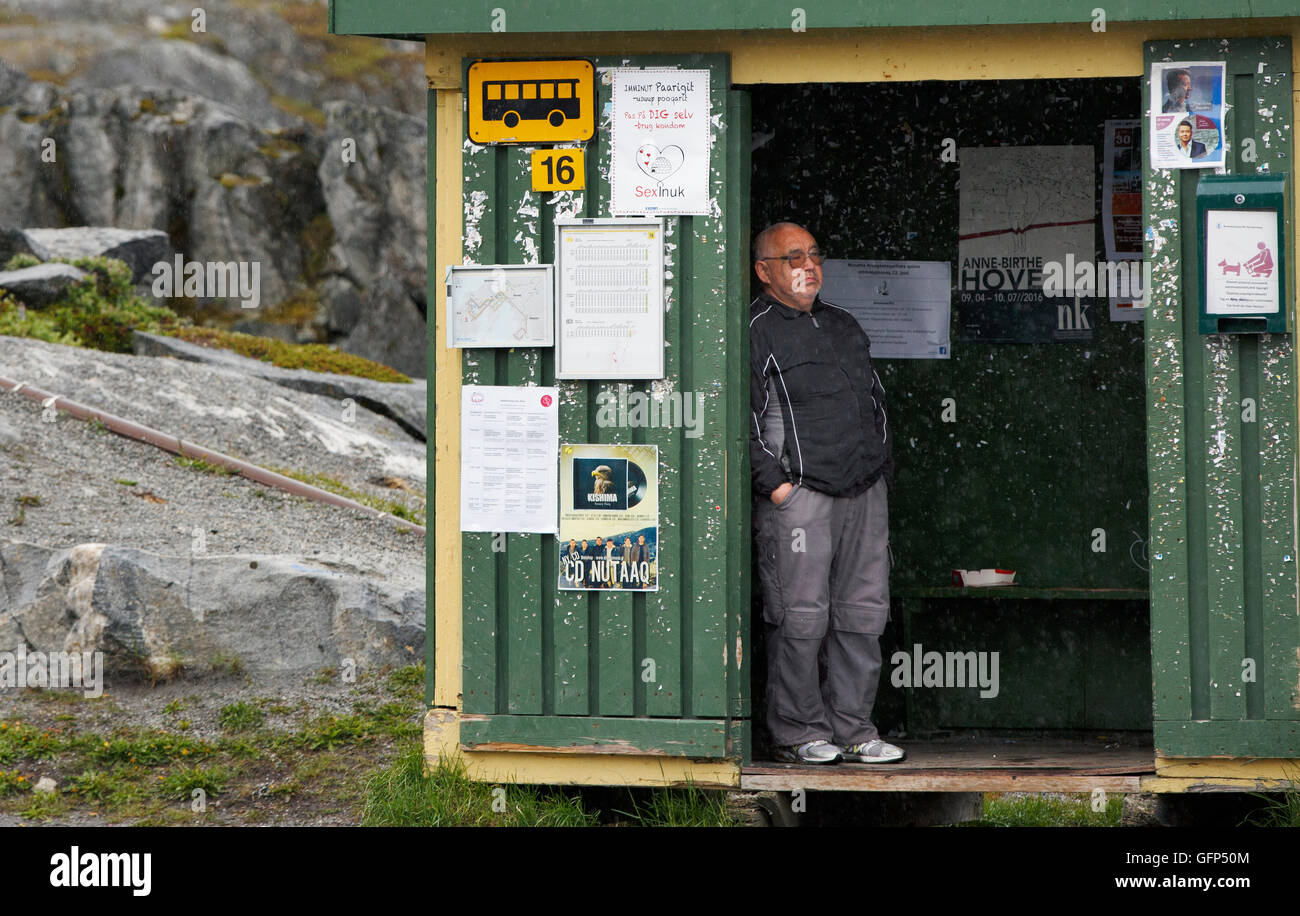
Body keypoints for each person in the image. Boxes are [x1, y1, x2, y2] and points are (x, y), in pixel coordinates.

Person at [749, 221, 903, 766]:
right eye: (793, 257)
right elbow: (739, 422)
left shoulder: (843, 323)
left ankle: (856, 730)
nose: (807, 266)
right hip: (802, 497)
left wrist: (880, 469)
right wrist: (778, 488)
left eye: (814, 254)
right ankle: (798, 731)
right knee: (800, 617)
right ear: (764, 270)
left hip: (863, 493)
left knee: (862, 615)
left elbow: (876, 402)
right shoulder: (756, 328)